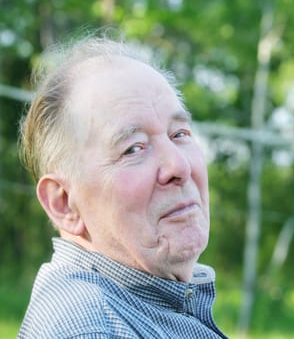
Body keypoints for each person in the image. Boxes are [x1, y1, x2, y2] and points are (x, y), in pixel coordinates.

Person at [17, 32, 227, 338]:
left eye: (179, 133)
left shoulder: (138, 306)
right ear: (64, 204)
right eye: (133, 149)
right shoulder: (92, 328)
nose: (179, 166)